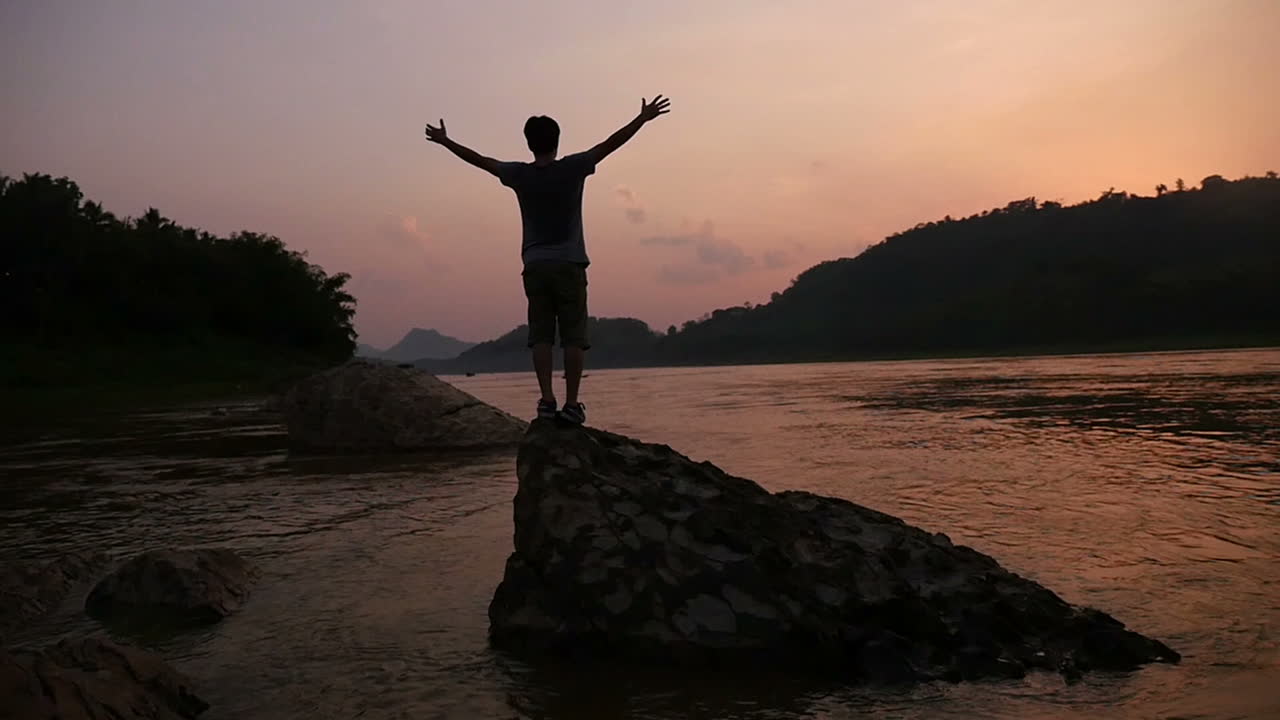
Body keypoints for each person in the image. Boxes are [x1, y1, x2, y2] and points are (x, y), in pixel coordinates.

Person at [423, 95, 671, 425]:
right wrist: (641, 119)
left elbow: (480, 161)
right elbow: (610, 144)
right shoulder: (572, 167)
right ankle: (571, 404)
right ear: (557, 141)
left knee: (540, 336)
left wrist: (445, 141)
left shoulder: (519, 175)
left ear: (529, 143)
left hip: (536, 266)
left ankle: (546, 400)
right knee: (573, 337)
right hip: (569, 264)